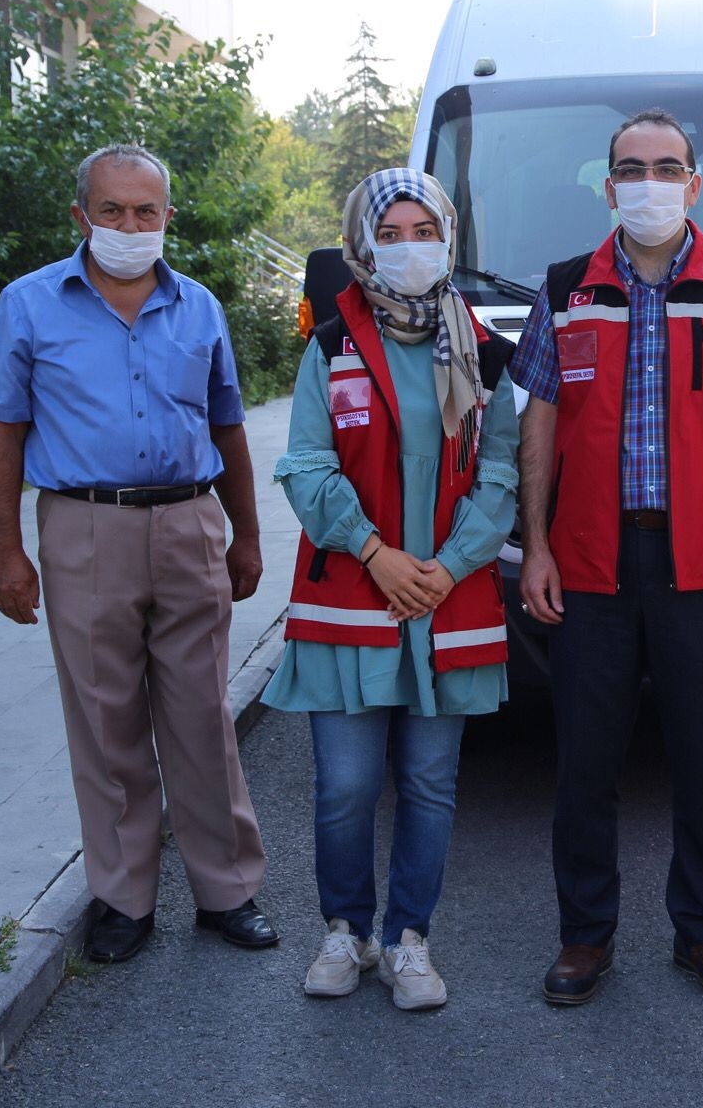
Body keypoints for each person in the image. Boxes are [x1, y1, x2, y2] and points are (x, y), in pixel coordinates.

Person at [511, 108, 703, 1005]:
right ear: (608, 188)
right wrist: (537, 546)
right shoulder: (565, 290)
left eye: (666, 167)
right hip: (592, 565)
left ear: (694, 184)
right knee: (586, 762)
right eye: (632, 168)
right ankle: (584, 937)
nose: (650, 182)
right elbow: (538, 426)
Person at [0, 143, 276, 964]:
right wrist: (7, 550)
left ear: (168, 217)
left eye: (146, 212)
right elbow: (2, 432)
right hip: (84, 528)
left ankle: (227, 890)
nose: (130, 226)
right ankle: (123, 899)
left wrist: (247, 535)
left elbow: (228, 428)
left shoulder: (200, 307)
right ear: (82, 216)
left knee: (202, 719)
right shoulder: (30, 305)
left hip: (188, 524)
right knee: (105, 724)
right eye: (112, 211)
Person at [262, 168, 519, 1011]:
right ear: (362, 247)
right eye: (393, 232)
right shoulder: (332, 346)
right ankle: (346, 930)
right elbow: (304, 463)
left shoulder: (483, 352)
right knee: (343, 787)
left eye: (426, 230)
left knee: (430, 784)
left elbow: (502, 475)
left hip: (447, 599)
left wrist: (444, 567)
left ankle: (411, 939)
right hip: (353, 594)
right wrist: (376, 553)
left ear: (449, 238)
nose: (411, 247)